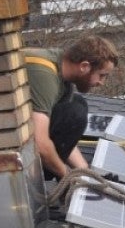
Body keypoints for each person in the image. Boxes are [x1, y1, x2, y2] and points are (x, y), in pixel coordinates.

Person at [26, 36, 118, 179]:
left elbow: (65, 139)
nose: (102, 83)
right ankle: (43, 173)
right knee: (76, 112)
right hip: (10, 148)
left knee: (77, 104)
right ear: (84, 66)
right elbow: (41, 143)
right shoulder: (45, 75)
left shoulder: (64, 74)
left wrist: (88, 175)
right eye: (102, 75)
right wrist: (66, 176)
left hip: (30, 138)